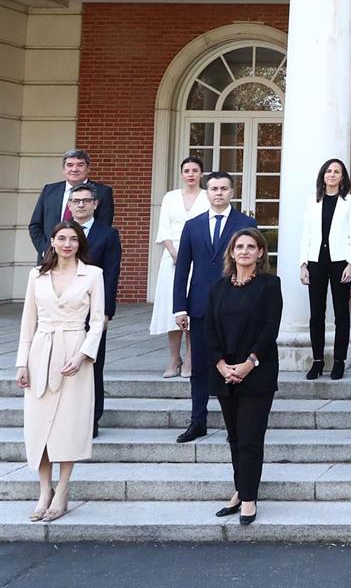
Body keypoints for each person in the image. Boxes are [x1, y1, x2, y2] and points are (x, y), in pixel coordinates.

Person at [15, 221, 105, 522]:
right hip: (41, 351)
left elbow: (97, 323)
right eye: (61, 238)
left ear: (80, 244)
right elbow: (28, 322)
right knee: (39, 425)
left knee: (68, 425)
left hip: (74, 351)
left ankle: (63, 489)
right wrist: (21, 362)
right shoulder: (36, 275)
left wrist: (82, 356)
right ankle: (44, 490)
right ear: (51, 242)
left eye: (73, 239)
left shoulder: (93, 274)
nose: (67, 244)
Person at [173, 172, 257, 444]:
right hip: (199, 306)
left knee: (233, 363)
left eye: (223, 188)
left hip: (236, 306)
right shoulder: (192, 225)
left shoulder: (246, 223)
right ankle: (198, 421)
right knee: (199, 366)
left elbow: (255, 265)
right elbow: (183, 268)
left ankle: (237, 423)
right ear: (206, 193)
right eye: (213, 189)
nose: (218, 193)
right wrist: (179, 307)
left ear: (232, 192)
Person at [207, 228, 282, 527]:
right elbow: (208, 330)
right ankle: (240, 489)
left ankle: (249, 497)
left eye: (252, 247)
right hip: (225, 373)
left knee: (251, 437)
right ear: (232, 252)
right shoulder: (218, 288)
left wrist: (250, 363)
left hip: (257, 373)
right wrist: (221, 364)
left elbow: (270, 328)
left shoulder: (269, 285)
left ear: (261, 253)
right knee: (234, 436)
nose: (245, 251)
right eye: (240, 246)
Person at [66, 183, 121, 438]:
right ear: (69, 204)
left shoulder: (107, 234)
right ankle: (67, 416)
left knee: (92, 364)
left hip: (93, 312)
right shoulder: (60, 233)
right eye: (76, 200)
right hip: (62, 312)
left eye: (86, 200)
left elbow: (111, 275)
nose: (80, 205)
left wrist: (107, 311)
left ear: (95, 204)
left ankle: (92, 418)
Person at [298, 157, 351, 380]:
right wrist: (303, 264)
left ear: (342, 177)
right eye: (328, 171)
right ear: (323, 175)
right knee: (316, 314)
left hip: (340, 262)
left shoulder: (350, 201)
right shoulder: (312, 201)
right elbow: (305, 233)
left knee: (341, 313)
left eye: (337, 171)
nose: (332, 174)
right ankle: (317, 361)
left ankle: (339, 361)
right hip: (316, 261)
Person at [149, 157, 208, 378]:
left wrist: (191, 256)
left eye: (195, 170)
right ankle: (174, 358)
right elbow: (163, 228)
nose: (191, 174)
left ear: (201, 174)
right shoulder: (170, 197)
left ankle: (191, 358)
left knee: (193, 309)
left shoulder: (206, 196)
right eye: (186, 170)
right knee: (172, 309)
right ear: (181, 174)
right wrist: (175, 253)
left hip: (199, 258)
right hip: (171, 257)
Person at [28, 149, 114, 258]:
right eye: (70, 165)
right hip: (50, 259)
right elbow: (35, 225)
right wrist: (46, 250)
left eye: (80, 165)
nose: (74, 169)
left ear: (88, 169)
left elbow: (104, 227)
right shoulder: (49, 190)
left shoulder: (103, 192)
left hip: (87, 259)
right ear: (63, 170)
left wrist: (83, 253)